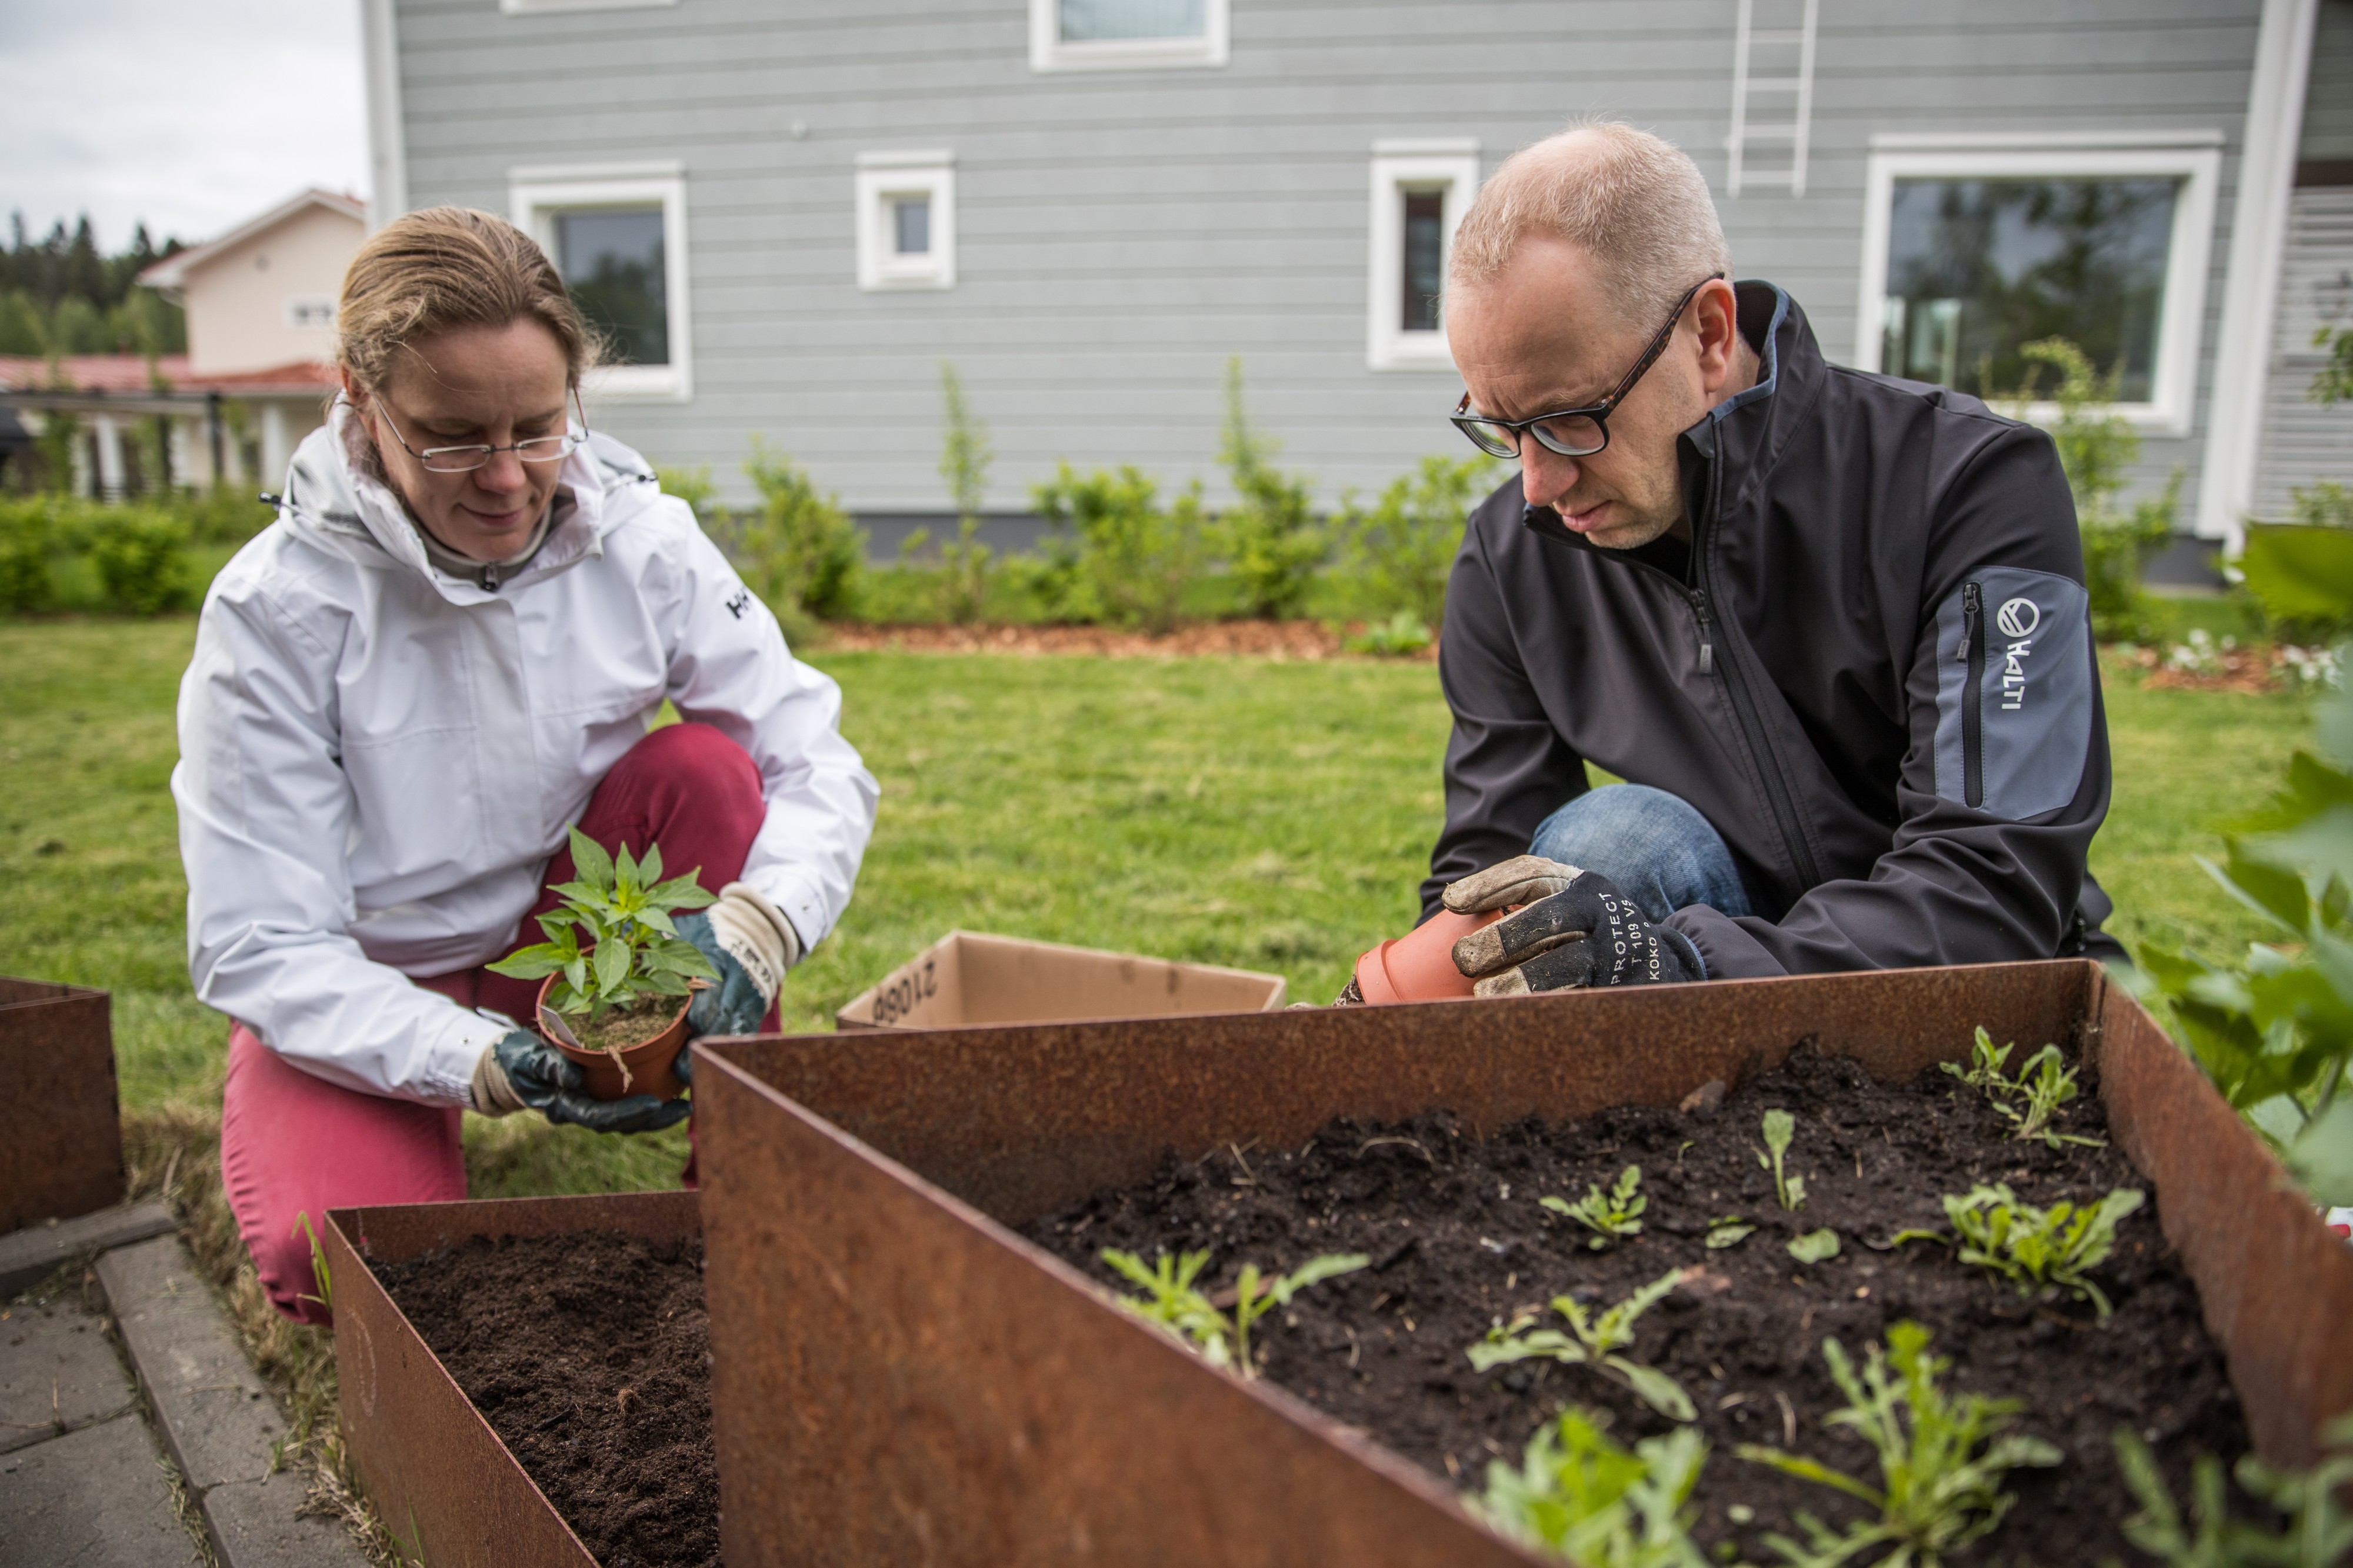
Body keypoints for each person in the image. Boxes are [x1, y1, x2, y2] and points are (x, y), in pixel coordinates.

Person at [174, 208, 878, 1321]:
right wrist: (476, 1060)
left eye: (540, 427)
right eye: (453, 436)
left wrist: (761, 925)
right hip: (372, 974)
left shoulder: (638, 539)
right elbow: (258, 940)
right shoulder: (278, 611)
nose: (508, 479)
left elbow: (810, 754)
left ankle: (739, 1175)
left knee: (708, 772)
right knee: (335, 1253)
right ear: (361, 403)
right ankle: (412, 1115)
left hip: (566, 934)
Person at [1408, 123, 2110, 997]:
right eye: (1502, 428)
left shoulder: (1965, 483)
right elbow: (1489, 877)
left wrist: (1690, 971)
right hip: (1714, 956)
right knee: (1610, 846)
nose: (1538, 484)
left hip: (1965, 990)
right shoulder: (1512, 556)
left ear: (1708, 334)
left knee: (1617, 855)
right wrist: (1391, 1004)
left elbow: (1994, 877)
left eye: (1567, 418)